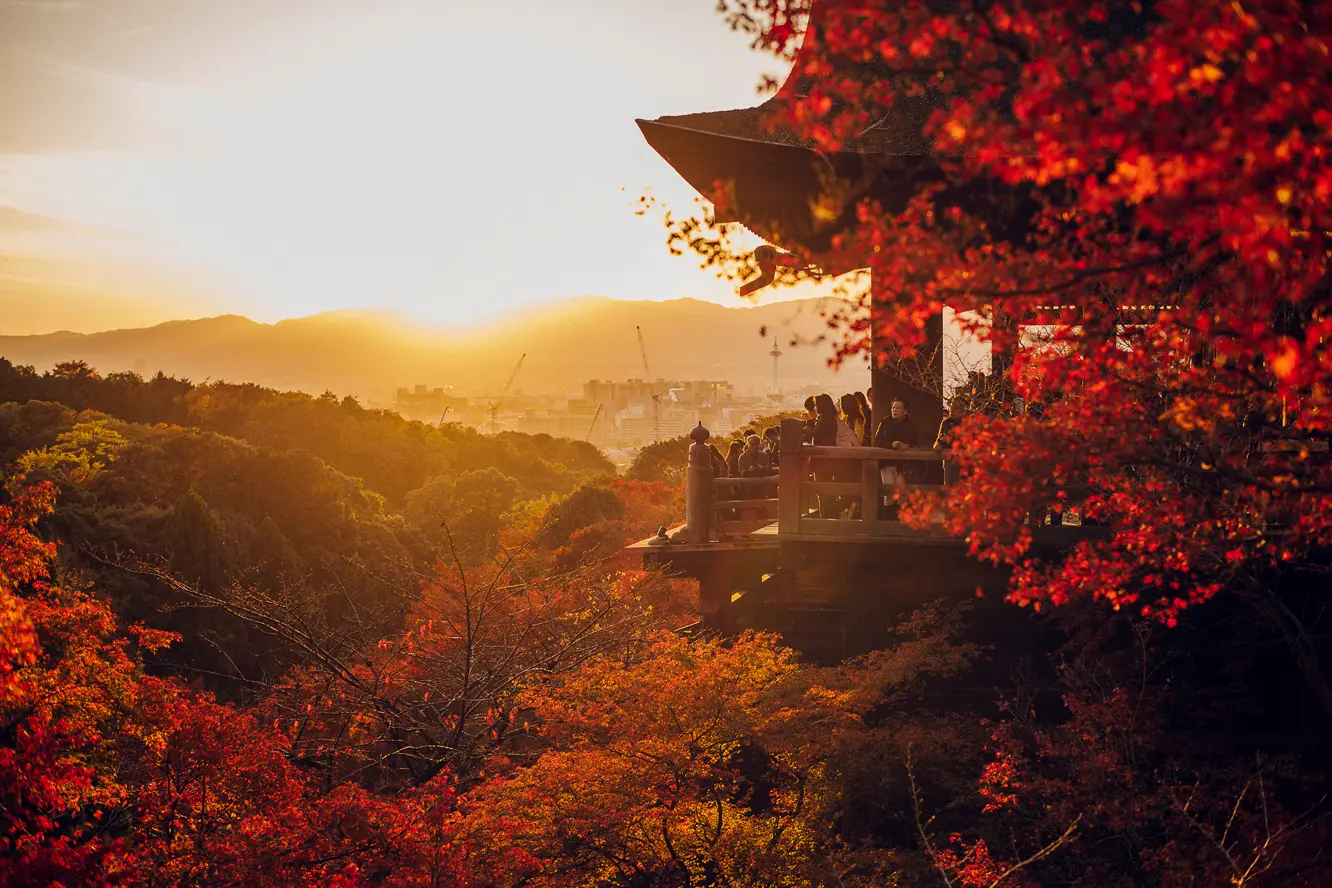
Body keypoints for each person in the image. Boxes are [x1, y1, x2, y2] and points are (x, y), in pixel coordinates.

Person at [874, 397, 916, 518]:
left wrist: (907, 445)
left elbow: (914, 442)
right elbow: (877, 442)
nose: (895, 410)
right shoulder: (885, 422)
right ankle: (889, 522)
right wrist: (891, 445)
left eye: (898, 408)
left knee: (902, 495)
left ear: (905, 411)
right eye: (893, 407)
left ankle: (901, 522)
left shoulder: (910, 425)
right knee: (888, 494)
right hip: (886, 463)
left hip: (902, 465)